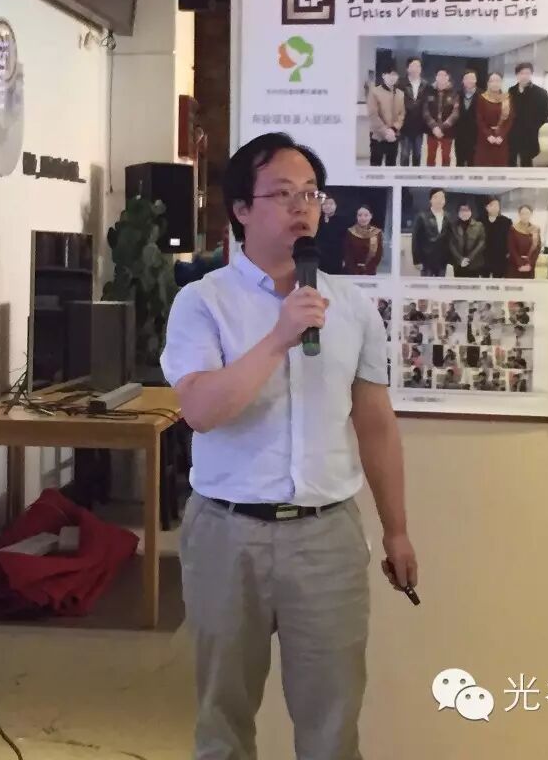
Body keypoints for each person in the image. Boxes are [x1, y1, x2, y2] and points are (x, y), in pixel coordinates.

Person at [160, 132, 417, 760]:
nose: (302, 207)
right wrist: (279, 336)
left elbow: (375, 423)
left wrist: (397, 530)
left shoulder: (352, 306)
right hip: (226, 534)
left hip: (326, 537)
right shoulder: (202, 302)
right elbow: (201, 411)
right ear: (241, 209)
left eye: (311, 194)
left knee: (333, 724)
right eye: (282, 194)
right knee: (223, 720)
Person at [507, 62, 548, 168]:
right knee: (510, 160)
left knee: (526, 162)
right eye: (522, 73)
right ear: (517, 75)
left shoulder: (540, 92)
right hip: (513, 133)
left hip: (529, 133)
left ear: (531, 74)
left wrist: (533, 126)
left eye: (527, 73)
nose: (524, 76)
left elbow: (544, 114)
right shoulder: (511, 91)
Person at [366, 66, 405, 167]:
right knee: (375, 166)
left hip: (394, 136)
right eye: (389, 74)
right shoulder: (374, 92)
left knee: (391, 166)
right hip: (378, 136)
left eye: (395, 75)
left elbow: (402, 115)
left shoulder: (400, 94)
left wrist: (393, 129)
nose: (392, 77)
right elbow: (373, 115)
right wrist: (386, 132)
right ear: (383, 76)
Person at [474, 72, 514, 167]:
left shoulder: (507, 98)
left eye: (498, 81)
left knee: (500, 166)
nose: (495, 83)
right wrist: (488, 135)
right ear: (488, 83)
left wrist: (501, 136)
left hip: (501, 140)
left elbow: (510, 119)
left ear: (501, 82)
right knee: (483, 166)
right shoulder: (482, 98)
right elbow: (479, 119)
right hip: (485, 138)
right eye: (492, 81)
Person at [422, 68, 459, 167]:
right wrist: (434, 126)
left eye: (444, 75)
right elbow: (425, 111)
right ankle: (430, 176)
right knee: (430, 157)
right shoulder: (429, 91)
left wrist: (442, 127)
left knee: (446, 157)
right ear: (436, 77)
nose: (442, 77)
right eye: (439, 75)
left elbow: (455, 113)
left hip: (448, 131)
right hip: (432, 130)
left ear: (448, 78)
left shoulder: (454, 93)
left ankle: (445, 176)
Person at [411, 188, 451, 277]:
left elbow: (450, 239)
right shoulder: (422, 216)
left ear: (444, 200)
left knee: (440, 285)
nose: (439, 200)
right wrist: (416, 260)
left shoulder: (448, 217)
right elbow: (416, 240)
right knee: (426, 285)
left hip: (442, 261)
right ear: (430, 200)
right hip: (426, 261)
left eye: (442, 197)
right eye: (436, 197)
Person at [399, 57, 429, 167]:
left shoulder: (425, 85)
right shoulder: (401, 83)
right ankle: (403, 178)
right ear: (407, 68)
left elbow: (427, 105)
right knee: (405, 155)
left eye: (418, 66)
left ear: (421, 69)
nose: (415, 68)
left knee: (417, 155)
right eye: (413, 66)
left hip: (419, 126)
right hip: (405, 126)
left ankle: (416, 177)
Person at [342, 205, 384, 275]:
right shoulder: (350, 232)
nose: (363, 218)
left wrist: (368, 269)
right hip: (351, 272)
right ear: (356, 217)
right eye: (360, 215)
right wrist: (354, 270)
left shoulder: (376, 233)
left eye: (366, 215)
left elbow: (378, 254)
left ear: (371, 216)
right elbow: (347, 254)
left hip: (369, 272)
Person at [447, 202, 486, 278]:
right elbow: (451, 244)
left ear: (471, 212)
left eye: (467, 210)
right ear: (458, 213)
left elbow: (481, 243)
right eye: (462, 210)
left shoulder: (479, 225)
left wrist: (469, 258)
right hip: (459, 264)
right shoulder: (453, 226)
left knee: (474, 284)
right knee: (459, 284)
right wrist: (460, 259)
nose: (464, 213)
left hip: (474, 264)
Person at [315, 194, 348, 273]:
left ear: (336, 205)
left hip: (335, 258)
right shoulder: (316, 220)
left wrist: (345, 258)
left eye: (331, 204)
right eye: (325, 204)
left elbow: (346, 242)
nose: (328, 206)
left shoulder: (342, 221)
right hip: (319, 258)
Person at [454, 69, 480, 167]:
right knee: (459, 162)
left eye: (472, 78)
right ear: (463, 81)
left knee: (472, 162)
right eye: (467, 78)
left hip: (475, 135)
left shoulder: (482, 95)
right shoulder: (457, 94)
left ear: (476, 80)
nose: (469, 80)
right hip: (460, 134)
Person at [507, 205, 542, 278]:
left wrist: (530, 264)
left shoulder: (535, 229)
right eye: (522, 213)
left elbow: (537, 249)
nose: (525, 216)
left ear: (531, 214)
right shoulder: (513, 229)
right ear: (519, 215)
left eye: (527, 213)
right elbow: (511, 248)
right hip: (515, 266)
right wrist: (520, 264)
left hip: (529, 267)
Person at [480, 196, 511, 278]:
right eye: (491, 205)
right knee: (484, 280)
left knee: (498, 281)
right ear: (486, 207)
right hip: (484, 257)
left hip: (500, 257)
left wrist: (508, 252)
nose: (494, 207)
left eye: (497, 205)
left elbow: (509, 239)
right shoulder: (480, 220)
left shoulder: (506, 221)